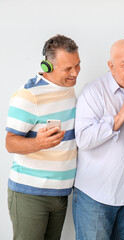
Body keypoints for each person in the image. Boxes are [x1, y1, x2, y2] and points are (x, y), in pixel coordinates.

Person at [73, 39, 124, 240]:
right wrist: (119, 117)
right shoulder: (93, 92)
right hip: (95, 197)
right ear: (111, 66)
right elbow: (83, 139)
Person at [5, 34, 80, 240]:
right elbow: (10, 143)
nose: (75, 73)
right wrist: (37, 143)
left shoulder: (69, 89)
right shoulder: (29, 95)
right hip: (30, 195)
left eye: (77, 65)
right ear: (47, 66)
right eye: (67, 69)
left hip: (60, 194)